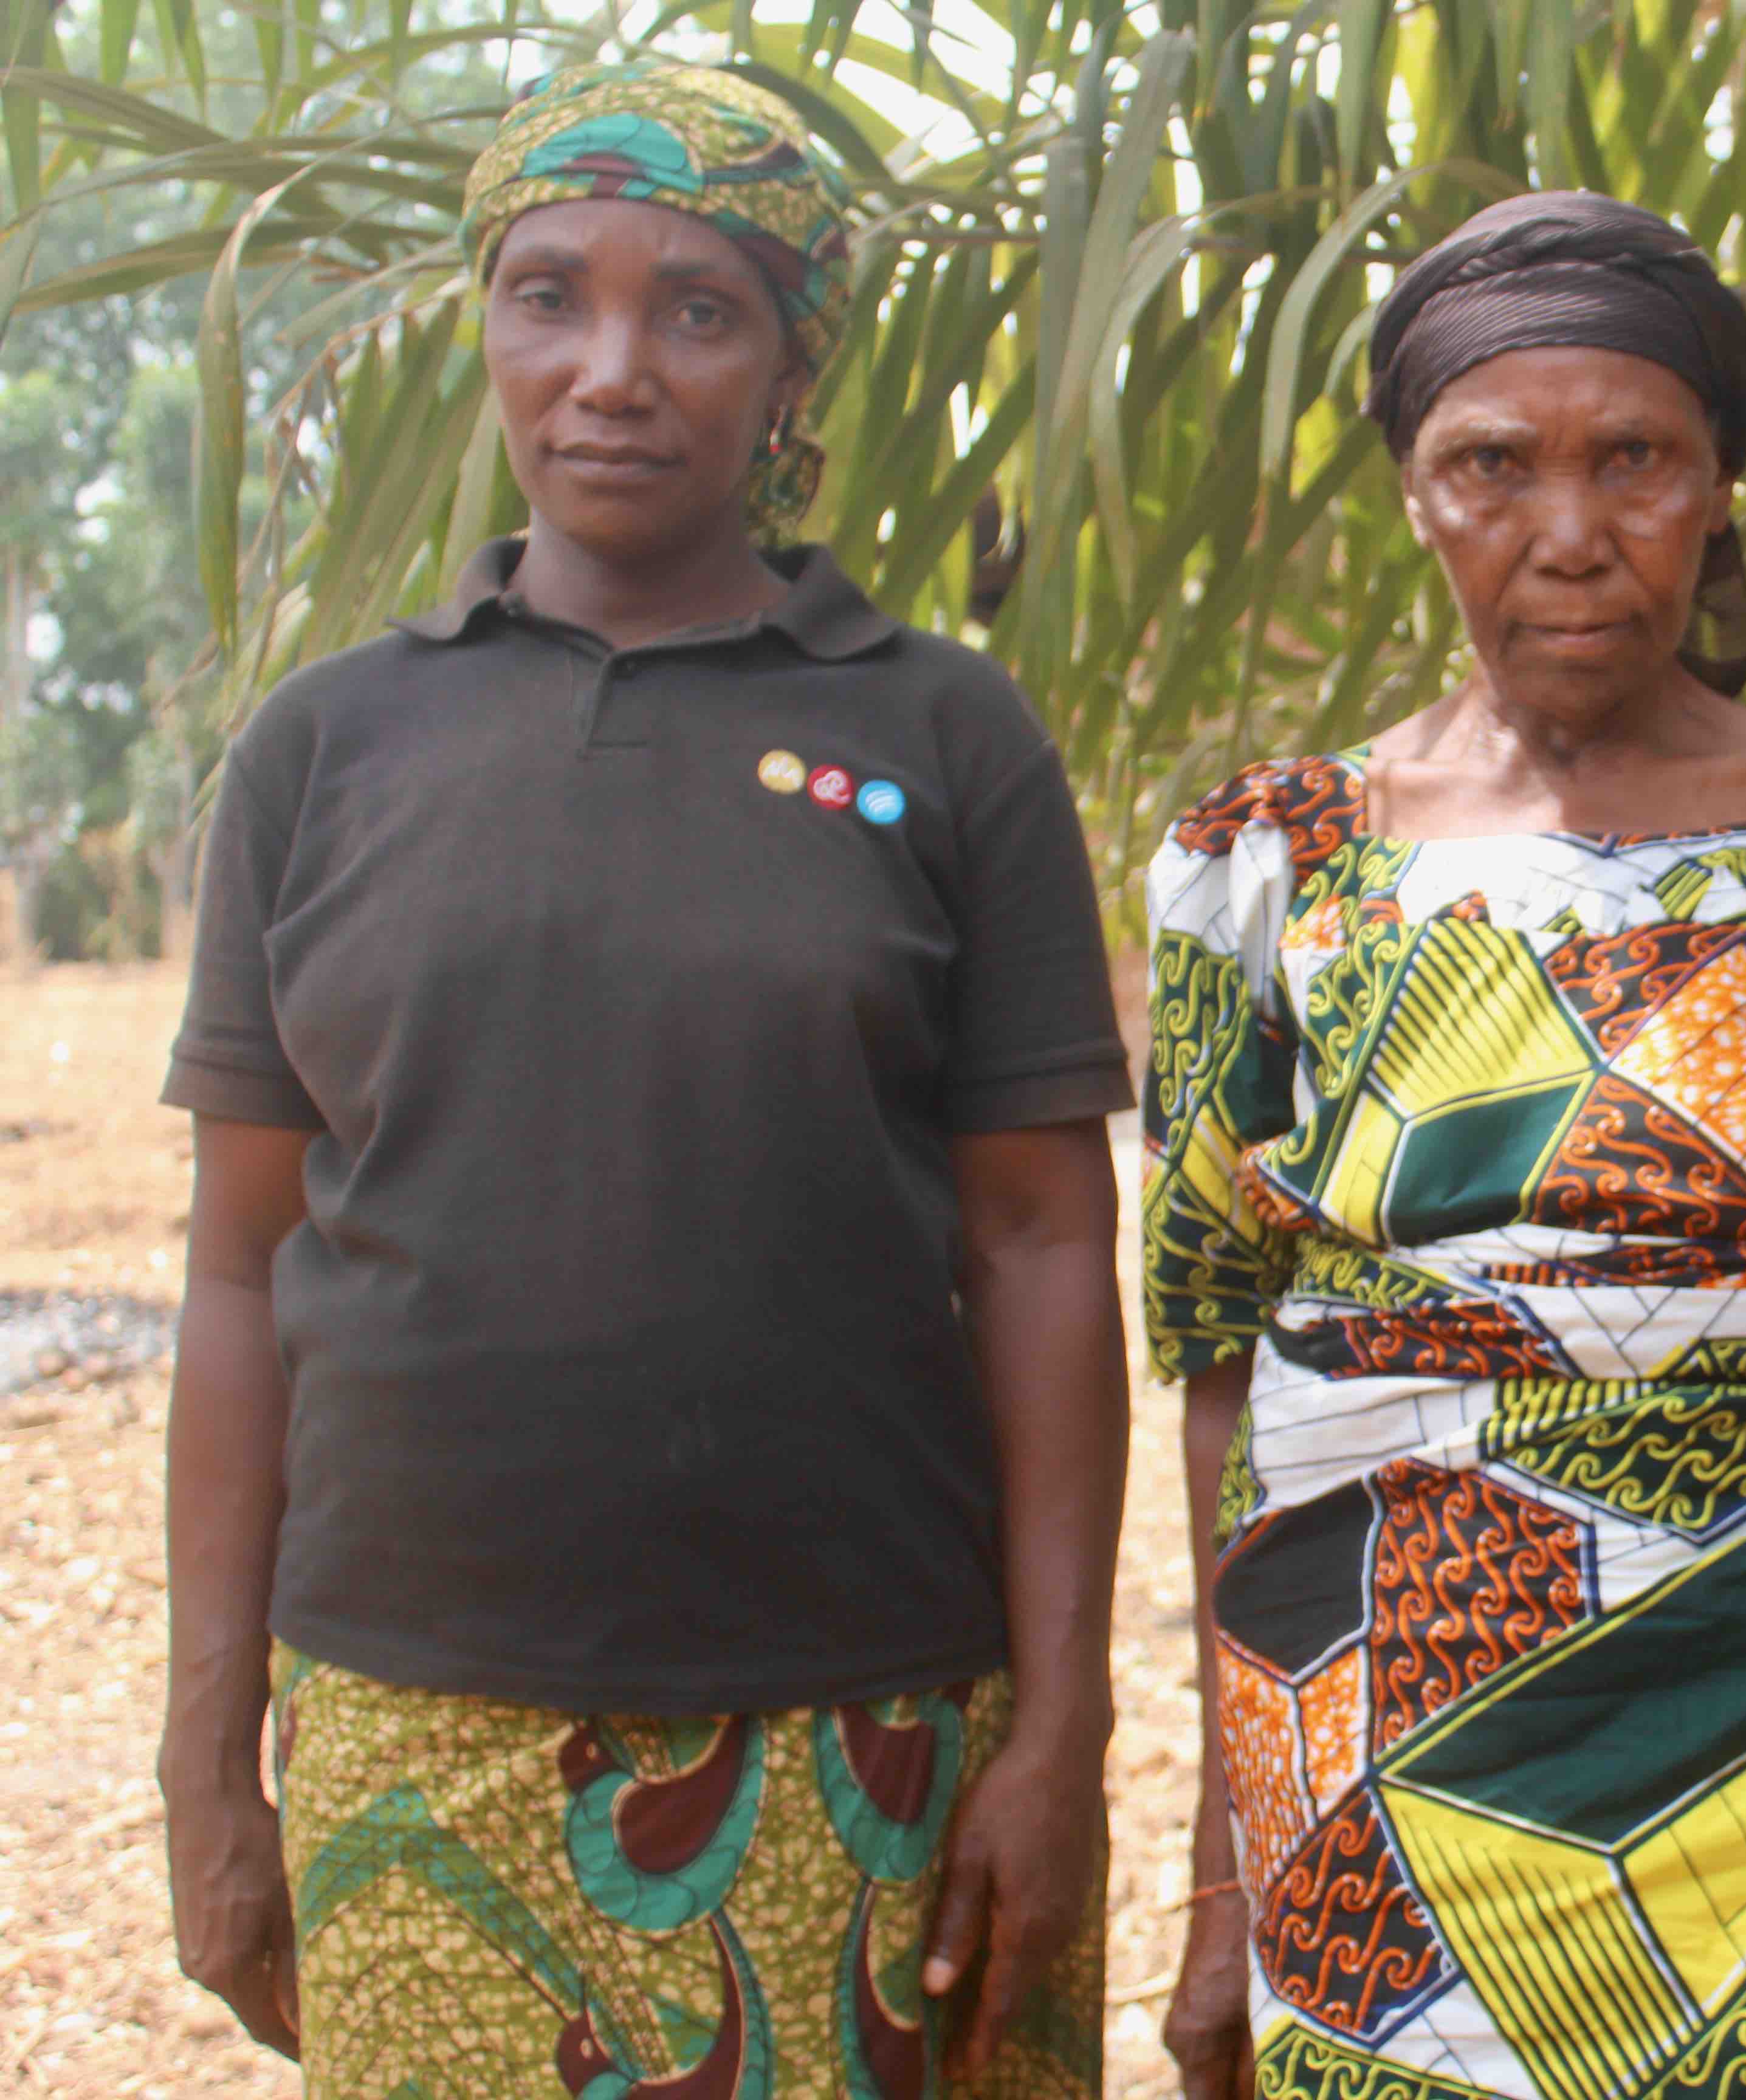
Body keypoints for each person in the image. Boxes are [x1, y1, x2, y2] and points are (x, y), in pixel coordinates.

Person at [157, 61, 1127, 2098]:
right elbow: (241, 1270)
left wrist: (1060, 1739)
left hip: (872, 1735)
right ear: (483, 326)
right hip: (417, 1743)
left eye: (699, 308)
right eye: (547, 296)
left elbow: (1043, 1245)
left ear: (792, 368)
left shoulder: (943, 737)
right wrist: (208, 1758)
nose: (613, 369)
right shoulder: (326, 751)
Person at [1141, 190, 1746, 2099]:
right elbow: (1220, 1367)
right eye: (1492, 465)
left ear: (1717, 489)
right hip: (1384, 1722)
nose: (1567, 533)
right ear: (1411, 492)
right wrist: (1225, 1878)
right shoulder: (1270, 859)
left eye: (1635, 458)